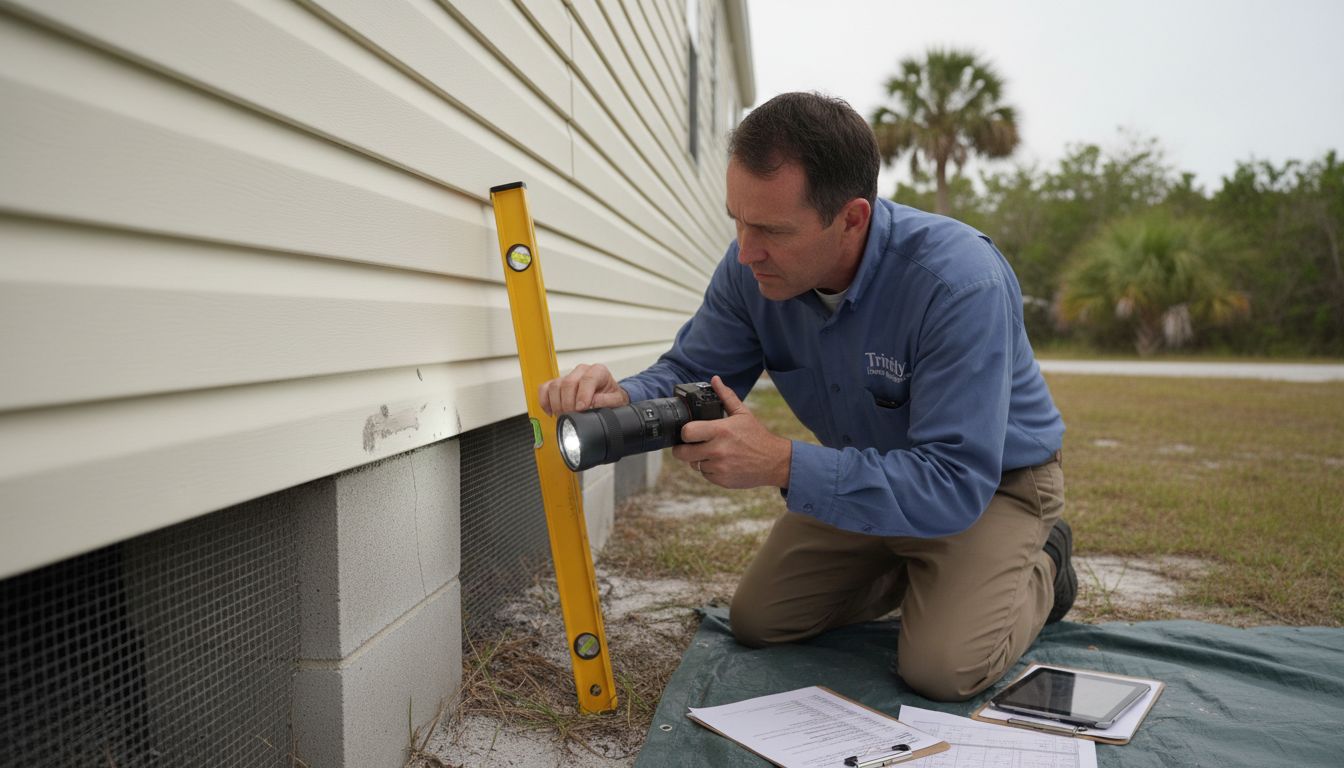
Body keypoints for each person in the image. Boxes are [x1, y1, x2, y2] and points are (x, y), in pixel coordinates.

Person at [538, 92, 1073, 702]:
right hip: (870, 471)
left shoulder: (957, 283)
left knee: (942, 669)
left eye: (770, 230)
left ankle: (1045, 564)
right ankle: (926, 574)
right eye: (736, 220)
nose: (744, 250)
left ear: (852, 219)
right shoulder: (750, 270)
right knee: (760, 620)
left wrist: (783, 463)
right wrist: (623, 397)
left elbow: (953, 480)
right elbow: (694, 369)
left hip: (989, 487)